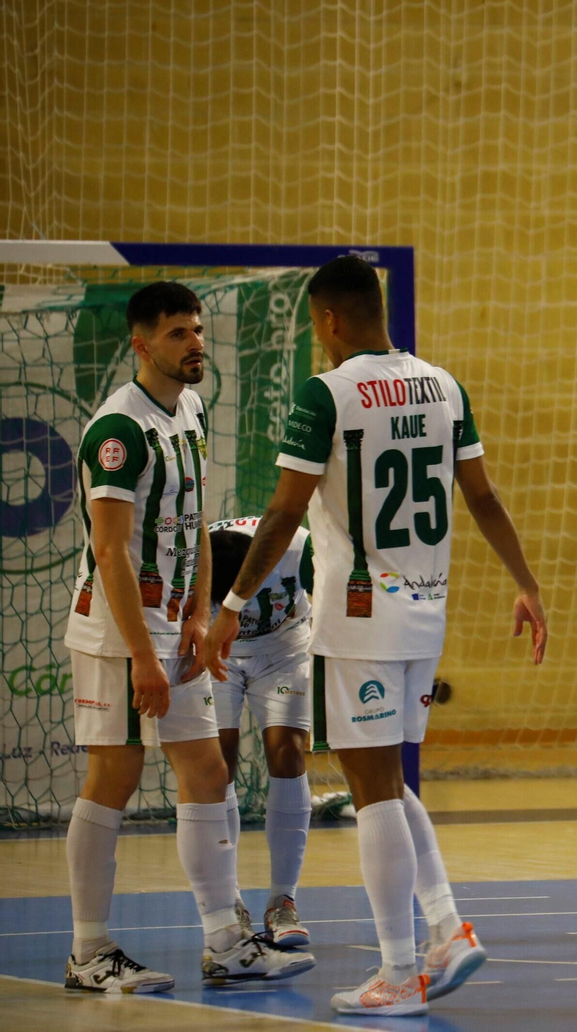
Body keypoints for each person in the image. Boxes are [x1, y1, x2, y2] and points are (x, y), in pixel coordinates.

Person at [199, 256, 549, 1016]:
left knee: (369, 790)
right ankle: (447, 930)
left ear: (328, 320)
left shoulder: (326, 394)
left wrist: (232, 601)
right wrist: (526, 583)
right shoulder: (444, 385)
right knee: (388, 778)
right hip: (427, 609)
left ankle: (398, 972)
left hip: (358, 615)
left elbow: (286, 512)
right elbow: (482, 496)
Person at [63, 281, 311, 992]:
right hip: (119, 633)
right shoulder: (118, 432)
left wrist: (201, 615)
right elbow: (110, 551)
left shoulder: (192, 409)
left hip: (177, 626)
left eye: (197, 330)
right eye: (177, 333)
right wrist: (142, 652)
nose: (195, 342)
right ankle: (89, 953)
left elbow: (197, 523)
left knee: (206, 773)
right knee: (114, 776)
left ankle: (228, 943)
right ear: (142, 345)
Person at [206, 516, 315, 946]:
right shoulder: (201, 559)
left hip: (284, 648)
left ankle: (282, 901)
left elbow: (335, 599)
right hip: (222, 651)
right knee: (216, 764)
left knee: (287, 752)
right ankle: (229, 897)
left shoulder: (298, 548)